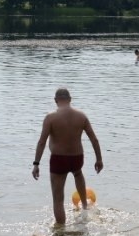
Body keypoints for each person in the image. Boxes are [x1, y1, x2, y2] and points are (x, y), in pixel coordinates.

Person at [32, 88, 104, 224]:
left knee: (58, 199)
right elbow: (94, 139)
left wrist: (36, 164)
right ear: (70, 99)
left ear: (55, 100)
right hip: (77, 158)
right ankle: (84, 207)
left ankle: (61, 228)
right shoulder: (81, 116)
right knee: (78, 174)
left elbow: (42, 142)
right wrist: (99, 159)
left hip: (58, 159)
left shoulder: (50, 117)